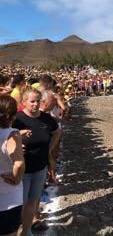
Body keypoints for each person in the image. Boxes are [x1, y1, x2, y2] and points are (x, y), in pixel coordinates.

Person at [10, 89, 59, 233]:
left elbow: (57, 132)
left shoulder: (46, 118)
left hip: (40, 168)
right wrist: (16, 145)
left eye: (38, 101)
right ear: (24, 102)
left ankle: (26, 231)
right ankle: (16, 229)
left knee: (32, 202)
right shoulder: (17, 119)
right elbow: (4, 137)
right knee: (20, 203)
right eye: (32, 101)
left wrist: (49, 149)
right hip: (22, 170)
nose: (36, 104)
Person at [0, 95, 24, 236]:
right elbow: (19, 164)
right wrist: (16, 178)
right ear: (14, 115)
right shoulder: (12, 135)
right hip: (8, 199)